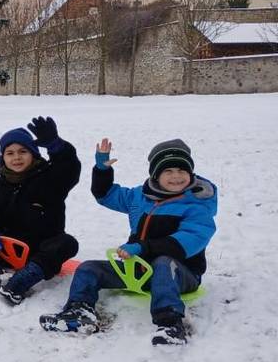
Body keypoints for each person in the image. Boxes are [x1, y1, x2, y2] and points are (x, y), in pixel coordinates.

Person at [40, 138, 217, 345]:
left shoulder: (197, 206)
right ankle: (79, 313)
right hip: (139, 270)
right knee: (88, 269)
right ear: (156, 174)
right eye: (168, 171)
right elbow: (106, 195)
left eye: (182, 170)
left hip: (180, 273)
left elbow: (185, 242)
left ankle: (170, 324)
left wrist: (142, 247)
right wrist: (102, 170)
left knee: (163, 263)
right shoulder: (140, 197)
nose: (176, 176)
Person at [0, 117, 81, 304]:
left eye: (23, 151)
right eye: (10, 153)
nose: (16, 157)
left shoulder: (50, 180)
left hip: (37, 252)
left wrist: (57, 146)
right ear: (2, 158)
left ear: (33, 154)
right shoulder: (0, 186)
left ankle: (22, 280)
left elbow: (69, 169)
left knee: (67, 243)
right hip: (3, 251)